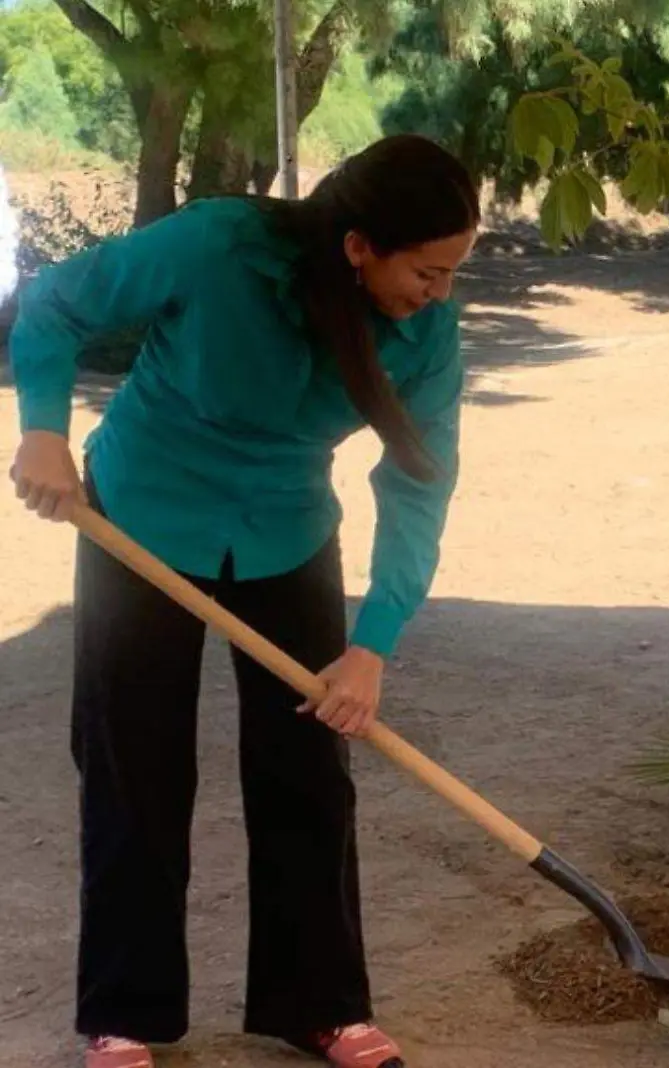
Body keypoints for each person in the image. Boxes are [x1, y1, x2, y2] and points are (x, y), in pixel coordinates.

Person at [7, 133, 480, 1068]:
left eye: (453, 272)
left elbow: (421, 485)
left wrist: (372, 645)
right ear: (359, 246)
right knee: (134, 767)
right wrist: (43, 430)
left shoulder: (426, 335)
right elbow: (54, 305)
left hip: (286, 530)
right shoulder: (217, 244)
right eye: (427, 272)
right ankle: (125, 1013)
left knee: (308, 771)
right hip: (141, 517)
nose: (440, 294)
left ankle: (321, 1004)